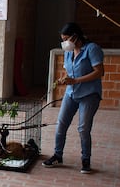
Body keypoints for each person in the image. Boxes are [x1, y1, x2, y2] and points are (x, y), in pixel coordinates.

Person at [42, 22, 104, 174]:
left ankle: (85, 159)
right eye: (63, 39)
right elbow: (71, 72)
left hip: (89, 94)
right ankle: (57, 155)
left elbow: (99, 72)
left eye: (67, 38)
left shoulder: (92, 49)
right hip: (71, 93)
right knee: (61, 124)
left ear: (76, 36)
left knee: (83, 128)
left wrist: (76, 81)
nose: (65, 42)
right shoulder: (68, 52)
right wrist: (65, 79)